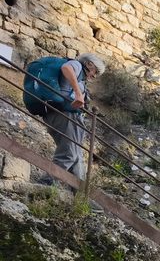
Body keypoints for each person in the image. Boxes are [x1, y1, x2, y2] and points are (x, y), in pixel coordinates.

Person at [27, 53, 106, 182]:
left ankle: (79, 193)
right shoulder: (77, 65)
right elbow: (66, 68)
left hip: (69, 115)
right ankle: (46, 182)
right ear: (89, 64)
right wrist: (78, 92)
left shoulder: (81, 78)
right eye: (95, 71)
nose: (94, 76)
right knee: (69, 153)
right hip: (64, 114)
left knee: (77, 156)